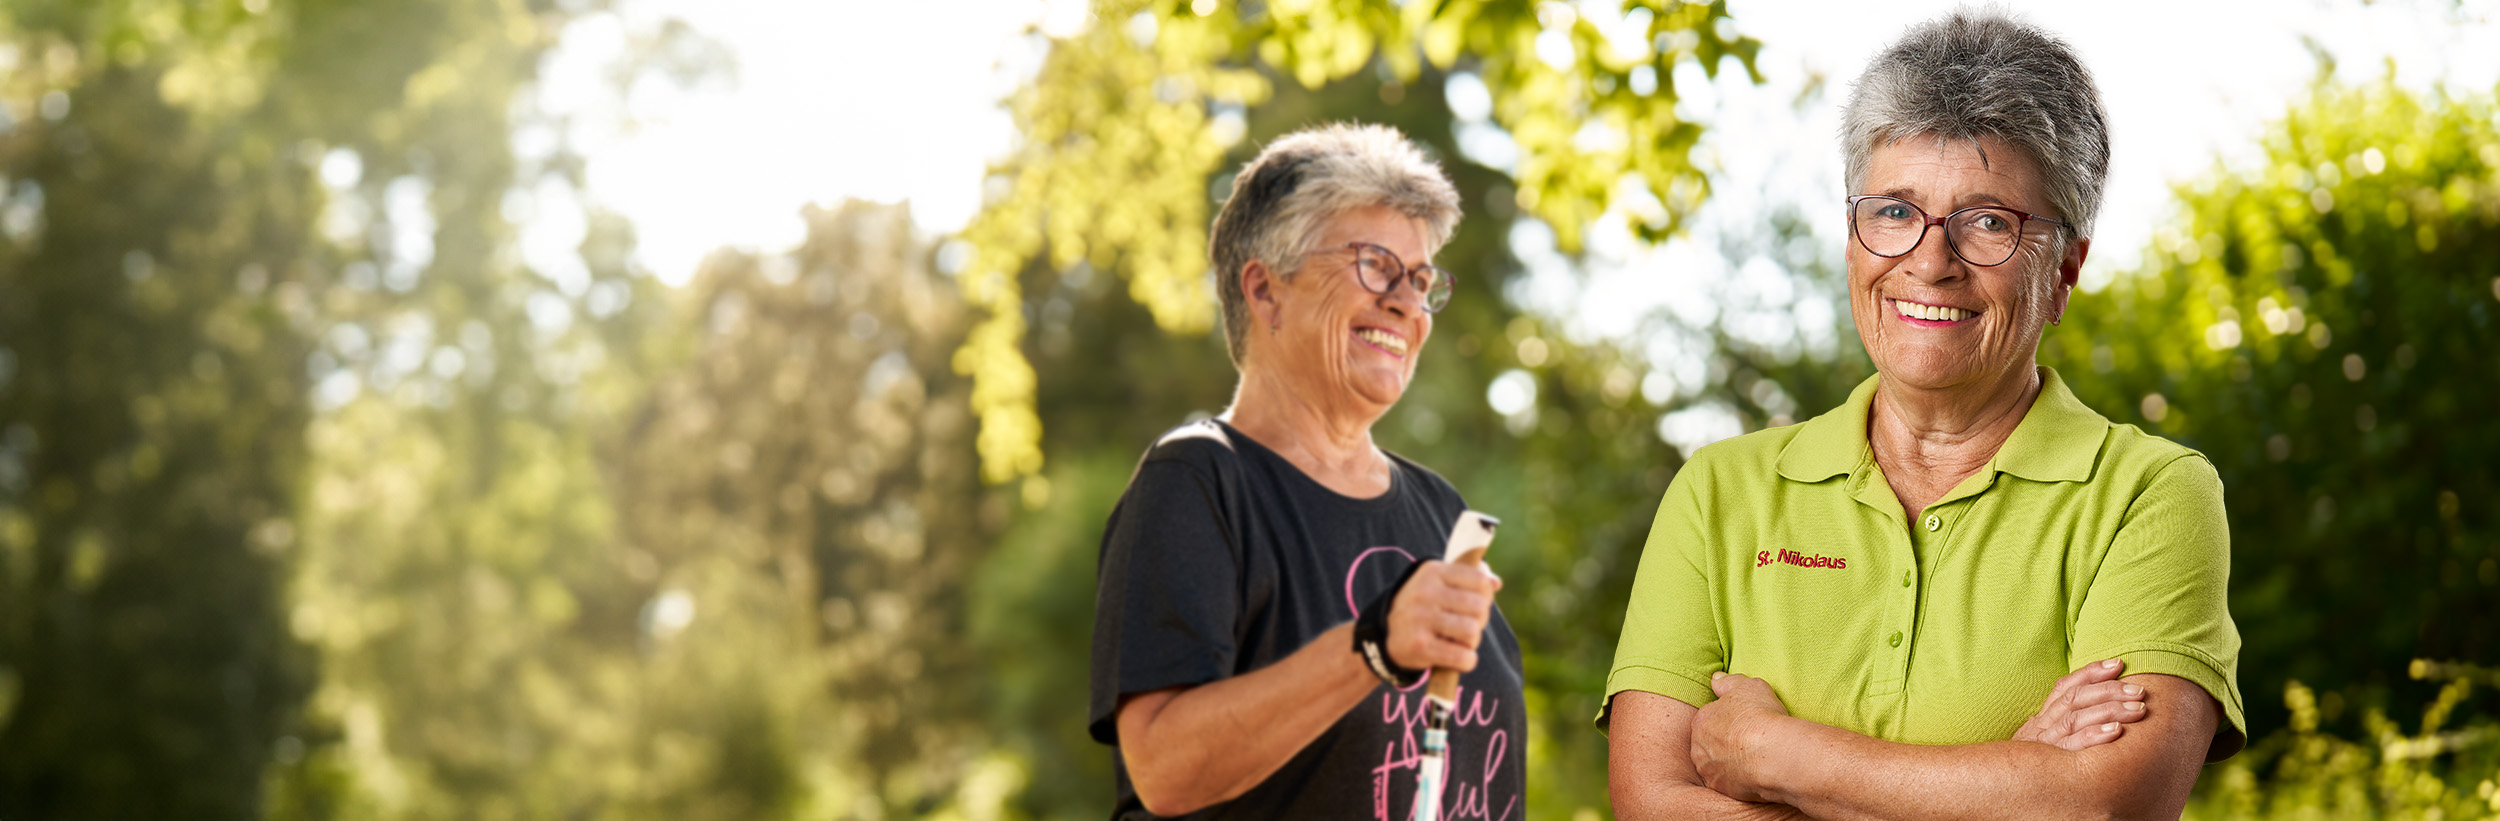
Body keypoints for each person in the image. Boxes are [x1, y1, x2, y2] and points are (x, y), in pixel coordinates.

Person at [1602, 9, 2246, 819]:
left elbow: (2097, 808)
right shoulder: (1717, 491)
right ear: (1851, 239)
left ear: (2065, 272)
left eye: (1988, 222)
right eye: (1896, 212)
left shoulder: (2149, 496)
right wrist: (2013, 776)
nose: (1931, 262)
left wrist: (1776, 755)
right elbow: (1650, 804)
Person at [1089, 123, 1523, 820]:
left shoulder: (1442, 510)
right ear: (1265, 291)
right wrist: (1372, 646)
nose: (1407, 303)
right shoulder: (1198, 482)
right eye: (1376, 265)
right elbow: (1163, 769)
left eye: (1419, 279)